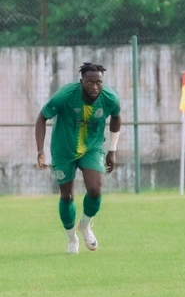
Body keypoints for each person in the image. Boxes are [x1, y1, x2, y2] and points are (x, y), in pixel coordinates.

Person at [35, 62, 121, 254]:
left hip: (92, 148)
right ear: (81, 81)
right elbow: (42, 117)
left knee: (95, 190)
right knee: (67, 195)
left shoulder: (110, 98)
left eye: (99, 82)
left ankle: (85, 225)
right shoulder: (65, 95)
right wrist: (40, 150)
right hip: (63, 150)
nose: (95, 87)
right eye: (90, 82)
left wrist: (112, 150)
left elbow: (116, 117)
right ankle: (71, 238)